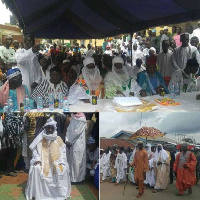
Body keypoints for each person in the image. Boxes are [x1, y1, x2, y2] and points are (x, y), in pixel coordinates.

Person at [25, 118, 71, 200]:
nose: (50, 129)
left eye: (51, 128)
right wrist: (37, 159)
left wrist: (61, 162)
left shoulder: (58, 139)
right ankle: (37, 194)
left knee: (62, 169)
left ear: (54, 129)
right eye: (48, 127)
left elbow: (63, 152)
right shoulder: (40, 138)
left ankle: (59, 194)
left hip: (55, 162)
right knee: (36, 168)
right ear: (45, 128)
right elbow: (35, 151)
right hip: (42, 161)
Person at [65, 113, 87, 182]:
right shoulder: (72, 118)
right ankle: (72, 178)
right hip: (71, 142)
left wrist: (70, 140)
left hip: (78, 142)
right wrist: (67, 139)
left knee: (77, 161)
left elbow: (77, 132)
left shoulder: (82, 120)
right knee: (71, 160)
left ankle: (78, 179)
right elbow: (68, 129)